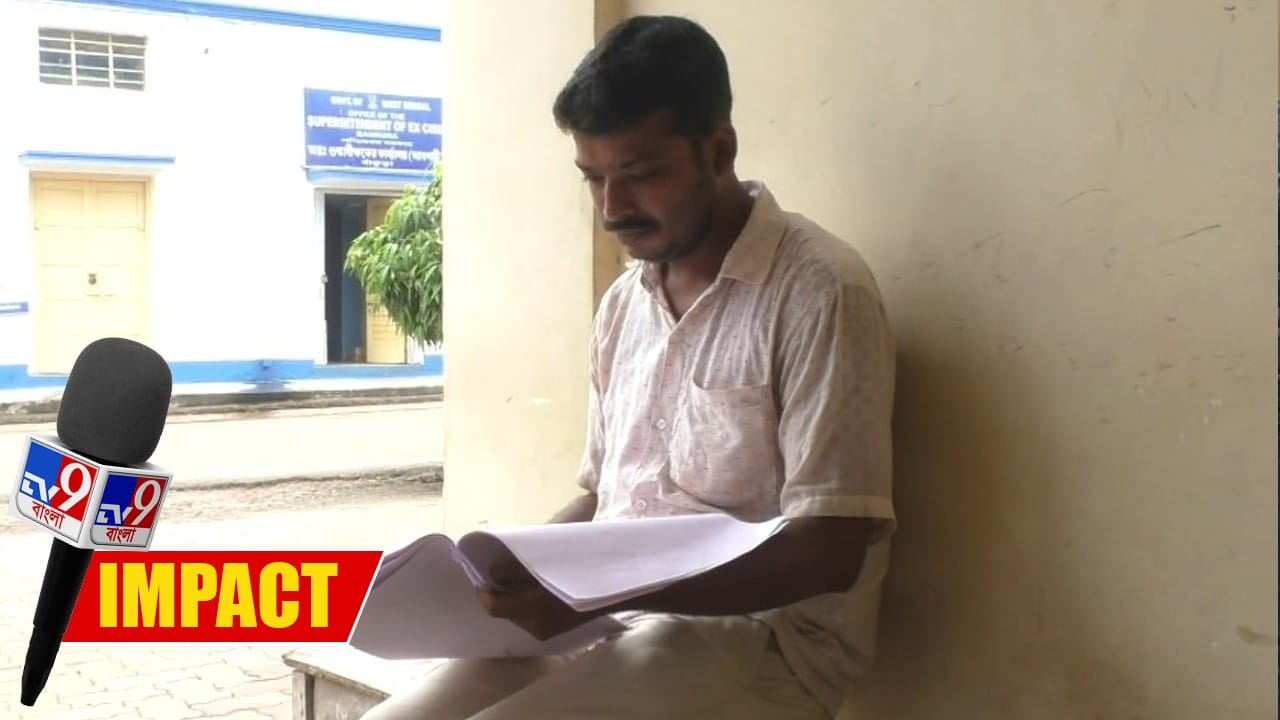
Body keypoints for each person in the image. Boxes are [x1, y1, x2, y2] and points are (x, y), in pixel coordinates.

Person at [362, 14, 896, 720]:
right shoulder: (624, 304)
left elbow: (832, 547)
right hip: (607, 624)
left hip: (764, 642)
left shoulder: (820, 291)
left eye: (641, 177)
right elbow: (604, 497)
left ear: (719, 150)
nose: (613, 208)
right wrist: (512, 571)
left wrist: (600, 594)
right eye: (594, 178)